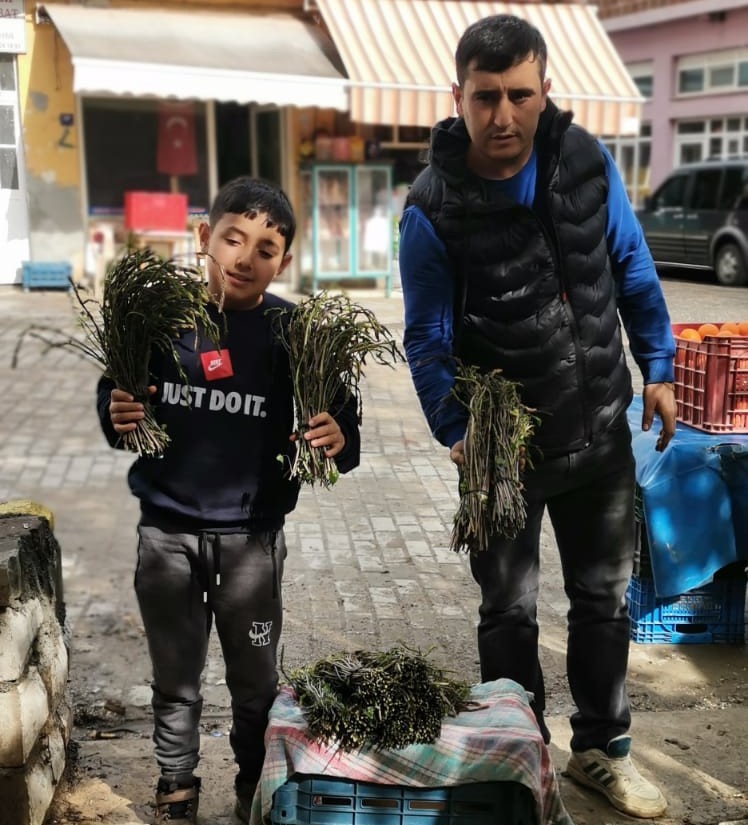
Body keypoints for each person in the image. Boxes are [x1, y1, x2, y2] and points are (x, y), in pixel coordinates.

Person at [398, 14, 676, 821]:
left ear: (545, 89)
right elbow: (426, 338)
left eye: (520, 94)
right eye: (486, 97)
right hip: (501, 456)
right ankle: (522, 759)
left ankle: (601, 751)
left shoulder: (586, 164)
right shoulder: (434, 207)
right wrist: (456, 429)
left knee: (603, 601)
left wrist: (656, 365)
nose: (504, 115)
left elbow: (629, 262)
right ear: (459, 97)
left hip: (598, 435)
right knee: (508, 611)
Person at [96, 177, 360, 824]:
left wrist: (336, 436)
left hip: (252, 540)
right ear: (202, 237)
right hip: (167, 534)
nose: (245, 257)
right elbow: (116, 400)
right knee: (175, 677)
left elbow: (344, 431)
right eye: (233, 238)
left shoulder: (294, 333)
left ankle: (254, 783)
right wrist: (117, 410)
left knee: (255, 683)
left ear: (285, 262)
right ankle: (176, 787)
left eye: (266, 248)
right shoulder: (160, 322)